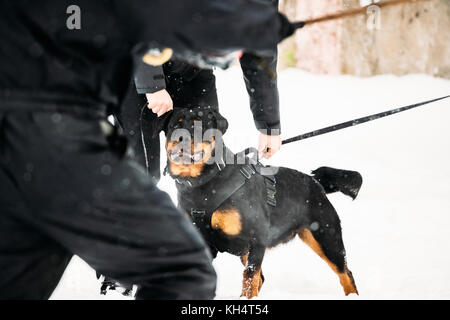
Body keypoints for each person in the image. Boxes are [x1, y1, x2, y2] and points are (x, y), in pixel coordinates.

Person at [0, 0, 295, 299]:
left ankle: (191, 241)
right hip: (54, 122)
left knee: (22, 269)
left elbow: (254, 51)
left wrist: (269, 122)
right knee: (180, 266)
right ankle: (127, 264)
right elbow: (155, 13)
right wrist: (154, 81)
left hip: (40, 123)